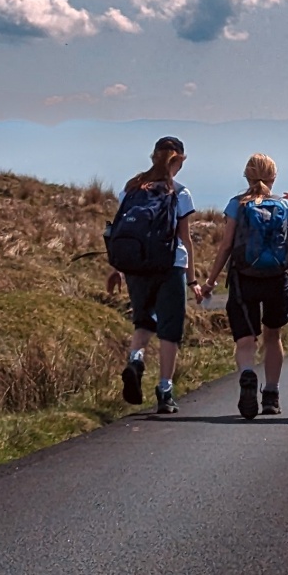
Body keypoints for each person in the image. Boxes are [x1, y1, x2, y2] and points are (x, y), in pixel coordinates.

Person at [195, 154, 288, 420]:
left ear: (247, 176)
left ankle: (248, 375)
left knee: (245, 339)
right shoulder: (285, 206)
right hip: (276, 278)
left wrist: (210, 282)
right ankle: (272, 396)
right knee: (273, 336)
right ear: (274, 177)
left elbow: (227, 246)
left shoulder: (236, 205)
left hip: (244, 278)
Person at [106, 136, 195, 415]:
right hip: (170, 266)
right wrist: (193, 280)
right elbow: (186, 239)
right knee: (170, 330)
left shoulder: (131, 189)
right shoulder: (179, 192)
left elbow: (122, 230)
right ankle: (165, 391)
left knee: (143, 320)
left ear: (153, 156)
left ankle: (135, 360)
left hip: (135, 265)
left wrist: (116, 268)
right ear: (178, 160)